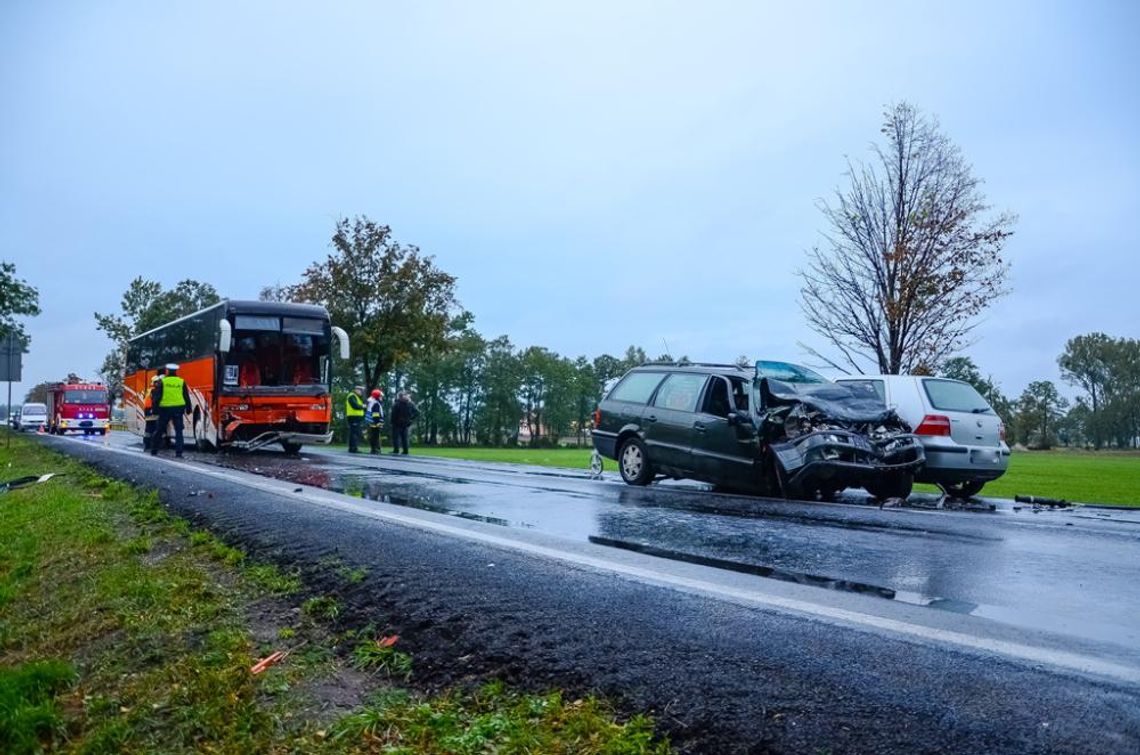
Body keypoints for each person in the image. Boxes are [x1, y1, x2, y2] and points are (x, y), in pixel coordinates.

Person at [151, 363, 191, 458]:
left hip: (165, 409)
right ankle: (179, 453)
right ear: (176, 371)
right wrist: (189, 408)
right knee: (179, 431)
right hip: (178, 409)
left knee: (159, 430)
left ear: (167, 371)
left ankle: (154, 450)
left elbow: (157, 397)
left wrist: (155, 409)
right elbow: (186, 396)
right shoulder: (181, 381)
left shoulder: (163, 382)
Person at [390, 391, 419, 455]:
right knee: (404, 438)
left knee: (396, 437)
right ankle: (405, 450)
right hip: (406, 423)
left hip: (397, 423)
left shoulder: (397, 404)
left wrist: (392, 422)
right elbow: (417, 412)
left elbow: (393, 414)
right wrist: (411, 419)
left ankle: (396, 450)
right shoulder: (410, 404)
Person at [142, 372, 163, 451]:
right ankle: (152, 444)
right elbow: (155, 401)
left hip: (148, 411)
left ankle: (147, 444)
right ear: (154, 382)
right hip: (152, 410)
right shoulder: (154, 390)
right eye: (157, 382)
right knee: (153, 428)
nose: (158, 383)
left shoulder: (149, 390)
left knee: (148, 428)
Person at [345, 385, 365, 453]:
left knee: (354, 432)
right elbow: (355, 406)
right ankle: (353, 448)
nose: (362, 392)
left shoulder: (356, 397)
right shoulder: (352, 396)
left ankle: (353, 447)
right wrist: (363, 406)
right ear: (356, 390)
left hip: (356, 417)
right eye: (360, 390)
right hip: (353, 417)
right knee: (354, 433)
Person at [365, 388, 385, 454]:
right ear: (377, 397)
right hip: (375, 423)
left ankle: (374, 449)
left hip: (373, 423)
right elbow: (376, 414)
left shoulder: (373, 402)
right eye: (381, 396)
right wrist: (378, 423)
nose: (382, 398)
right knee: (375, 437)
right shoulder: (376, 404)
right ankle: (375, 449)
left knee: (374, 436)